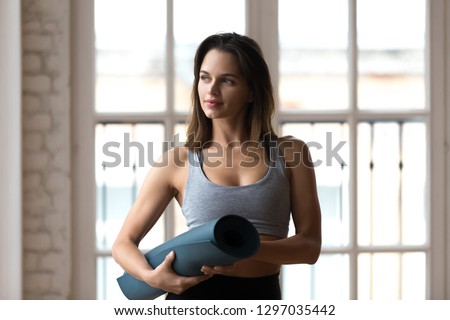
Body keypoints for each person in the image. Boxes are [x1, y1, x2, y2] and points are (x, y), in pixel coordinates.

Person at [112, 32, 322, 300]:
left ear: (252, 91)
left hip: (262, 296)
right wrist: (151, 276)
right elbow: (123, 244)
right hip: (193, 298)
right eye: (205, 77)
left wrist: (245, 247)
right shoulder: (177, 161)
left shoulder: (291, 154)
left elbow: (309, 247)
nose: (211, 90)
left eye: (228, 81)